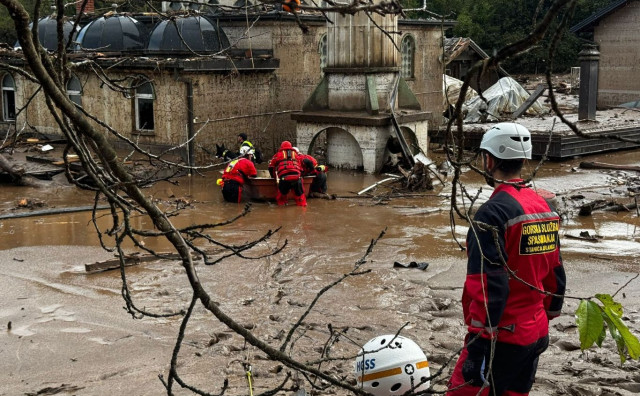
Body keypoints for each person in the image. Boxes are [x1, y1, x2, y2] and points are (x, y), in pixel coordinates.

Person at [447, 123, 566, 396]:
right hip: (536, 332)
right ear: (524, 160)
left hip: (502, 336)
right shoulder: (543, 206)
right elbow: (556, 272)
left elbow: (488, 283)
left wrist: (480, 341)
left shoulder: (492, 214)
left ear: (489, 161)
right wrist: (547, 314)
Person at [268, 141, 306, 207]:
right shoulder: (296, 154)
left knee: (281, 198)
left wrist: (273, 177)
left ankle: (283, 207)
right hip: (297, 177)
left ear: (281, 147)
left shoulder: (278, 155)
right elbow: (301, 167)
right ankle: (302, 209)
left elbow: (271, 167)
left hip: (284, 178)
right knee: (301, 198)